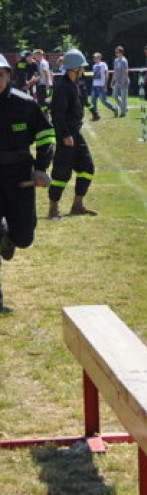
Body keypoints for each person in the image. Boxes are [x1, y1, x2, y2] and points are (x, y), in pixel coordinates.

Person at [0, 52, 54, 311]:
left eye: (0, 74)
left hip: (21, 179)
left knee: (24, 237)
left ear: (8, 75)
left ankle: (9, 238)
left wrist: (41, 168)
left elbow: (46, 136)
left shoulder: (26, 105)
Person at [48, 48, 98, 219]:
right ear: (74, 68)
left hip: (75, 133)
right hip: (67, 135)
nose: (83, 70)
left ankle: (77, 205)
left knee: (87, 167)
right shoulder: (62, 86)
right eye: (81, 67)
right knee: (62, 172)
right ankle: (53, 207)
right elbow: (57, 114)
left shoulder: (74, 84)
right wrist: (65, 135)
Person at [111, 46, 130, 117]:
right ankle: (124, 107)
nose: (116, 53)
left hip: (124, 81)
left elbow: (125, 72)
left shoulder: (124, 60)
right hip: (117, 81)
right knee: (114, 96)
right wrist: (112, 81)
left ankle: (123, 113)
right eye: (115, 52)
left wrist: (122, 82)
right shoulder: (116, 61)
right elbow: (115, 72)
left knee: (123, 97)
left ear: (121, 52)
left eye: (117, 52)